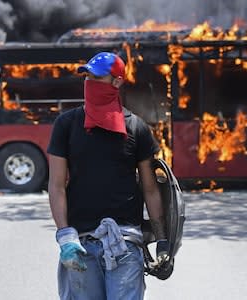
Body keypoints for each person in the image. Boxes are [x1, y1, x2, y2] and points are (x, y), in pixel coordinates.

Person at [47, 52, 168, 299]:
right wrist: (65, 237)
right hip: (80, 244)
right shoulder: (66, 125)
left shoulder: (137, 128)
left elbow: (150, 189)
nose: (89, 82)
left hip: (125, 243)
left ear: (117, 82)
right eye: (87, 77)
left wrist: (163, 239)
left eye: (97, 77)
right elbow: (57, 185)